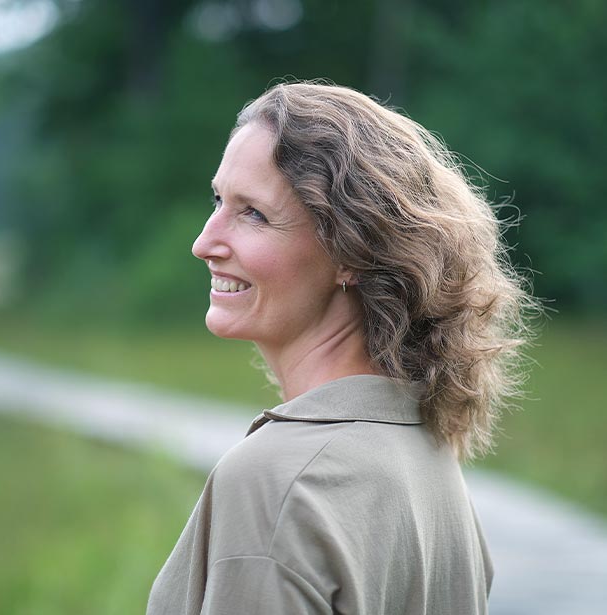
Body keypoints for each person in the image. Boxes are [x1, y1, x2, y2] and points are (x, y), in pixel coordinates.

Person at [146, 81, 535, 614]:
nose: (204, 241)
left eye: (253, 213)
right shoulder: (426, 456)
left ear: (350, 250)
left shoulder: (276, 485)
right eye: (219, 200)